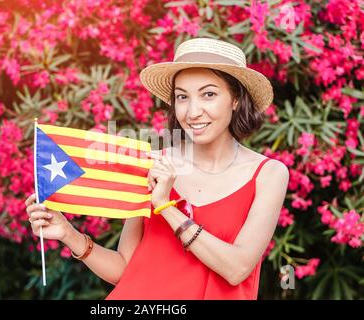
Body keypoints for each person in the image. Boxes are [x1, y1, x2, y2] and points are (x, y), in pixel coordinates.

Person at [25, 37, 289, 299]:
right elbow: (126, 269)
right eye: (182, 97)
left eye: (208, 94)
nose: (193, 111)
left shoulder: (268, 174)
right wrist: (68, 234)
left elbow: (237, 268)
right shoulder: (154, 164)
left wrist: (166, 207)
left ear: (235, 99)